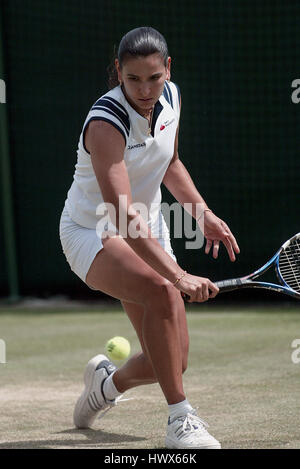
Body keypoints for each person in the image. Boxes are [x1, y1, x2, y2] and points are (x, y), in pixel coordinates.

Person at [59, 26, 240, 449]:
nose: (145, 89)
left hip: (149, 225)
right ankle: (180, 421)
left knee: (175, 360)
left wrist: (203, 214)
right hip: (93, 232)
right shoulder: (106, 123)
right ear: (118, 72)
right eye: (133, 79)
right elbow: (121, 216)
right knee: (161, 289)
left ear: (167, 70)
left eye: (154, 78)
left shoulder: (172, 98)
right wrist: (178, 276)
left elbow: (170, 163)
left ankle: (105, 386)